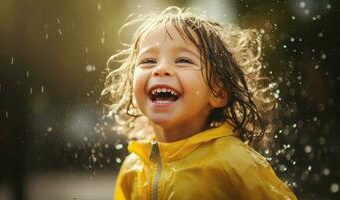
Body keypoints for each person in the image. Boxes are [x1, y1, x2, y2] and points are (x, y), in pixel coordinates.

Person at [102, 6, 297, 200]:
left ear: (218, 93)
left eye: (183, 60)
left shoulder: (236, 163)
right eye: (148, 61)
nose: (160, 69)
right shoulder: (132, 168)